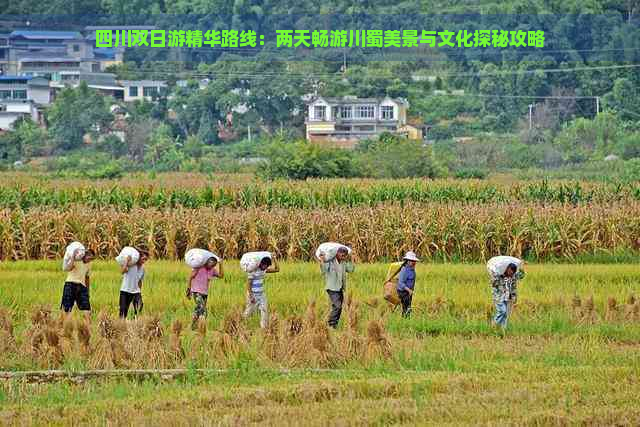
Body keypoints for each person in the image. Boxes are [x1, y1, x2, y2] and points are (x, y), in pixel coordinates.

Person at [319, 247, 355, 329]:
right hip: (331, 288)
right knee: (337, 306)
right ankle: (330, 324)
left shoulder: (344, 263)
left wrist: (352, 259)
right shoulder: (330, 261)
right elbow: (323, 270)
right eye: (342, 255)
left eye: (345, 256)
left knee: (339, 307)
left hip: (340, 288)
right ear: (337, 253)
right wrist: (322, 260)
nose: (343, 257)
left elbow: (351, 270)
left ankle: (334, 325)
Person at [187, 256, 224, 330]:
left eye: (214, 265)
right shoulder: (199, 267)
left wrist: (221, 264)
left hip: (205, 293)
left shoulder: (212, 270)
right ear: (207, 262)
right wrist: (188, 290)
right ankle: (202, 328)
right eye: (211, 264)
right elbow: (190, 277)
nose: (212, 266)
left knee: (197, 310)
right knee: (203, 310)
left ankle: (192, 327)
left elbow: (221, 276)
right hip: (196, 292)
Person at [243, 256, 279, 328]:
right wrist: (251, 296)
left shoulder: (264, 270)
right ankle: (241, 323)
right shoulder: (252, 270)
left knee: (264, 310)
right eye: (265, 265)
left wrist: (274, 259)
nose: (266, 267)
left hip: (261, 294)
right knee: (249, 311)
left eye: (267, 266)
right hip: (253, 294)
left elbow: (277, 269)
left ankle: (264, 328)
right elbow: (248, 285)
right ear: (261, 264)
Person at [61, 248, 96, 321]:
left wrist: (87, 291)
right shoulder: (76, 259)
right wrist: (73, 257)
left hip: (82, 287)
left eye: (92, 259)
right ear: (86, 254)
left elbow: (87, 277)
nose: (90, 260)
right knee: (66, 309)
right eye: (90, 258)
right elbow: (67, 268)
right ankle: (63, 327)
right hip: (70, 284)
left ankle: (87, 328)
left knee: (87, 310)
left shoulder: (89, 264)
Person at [490, 262, 525, 330]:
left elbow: (521, 276)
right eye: (510, 271)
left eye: (512, 272)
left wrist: (521, 267)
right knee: (502, 311)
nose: (510, 273)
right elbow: (493, 284)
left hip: (508, 297)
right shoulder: (499, 275)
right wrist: (495, 275)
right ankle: (494, 325)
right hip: (498, 297)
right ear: (507, 269)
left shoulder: (513, 277)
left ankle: (503, 329)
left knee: (506, 314)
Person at [119, 250, 148, 319]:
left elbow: (140, 281)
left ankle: (135, 322)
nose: (144, 261)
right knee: (123, 310)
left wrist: (140, 291)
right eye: (143, 259)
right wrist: (126, 261)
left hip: (136, 292)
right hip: (125, 290)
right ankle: (121, 325)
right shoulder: (131, 265)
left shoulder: (143, 269)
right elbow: (122, 271)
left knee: (139, 306)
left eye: (146, 260)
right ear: (138, 258)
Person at [396, 251, 420, 318]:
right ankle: (405, 320)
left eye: (414, 261)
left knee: (408, 307)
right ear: (408, 261)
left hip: (409, 292)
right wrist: (408, 290)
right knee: (406, 308)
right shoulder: (404, 270)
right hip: (403, 292)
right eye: (412, 261)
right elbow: (400, 283)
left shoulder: (412, 270)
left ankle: (406, 320)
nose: (414, 263)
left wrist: (411, 290)